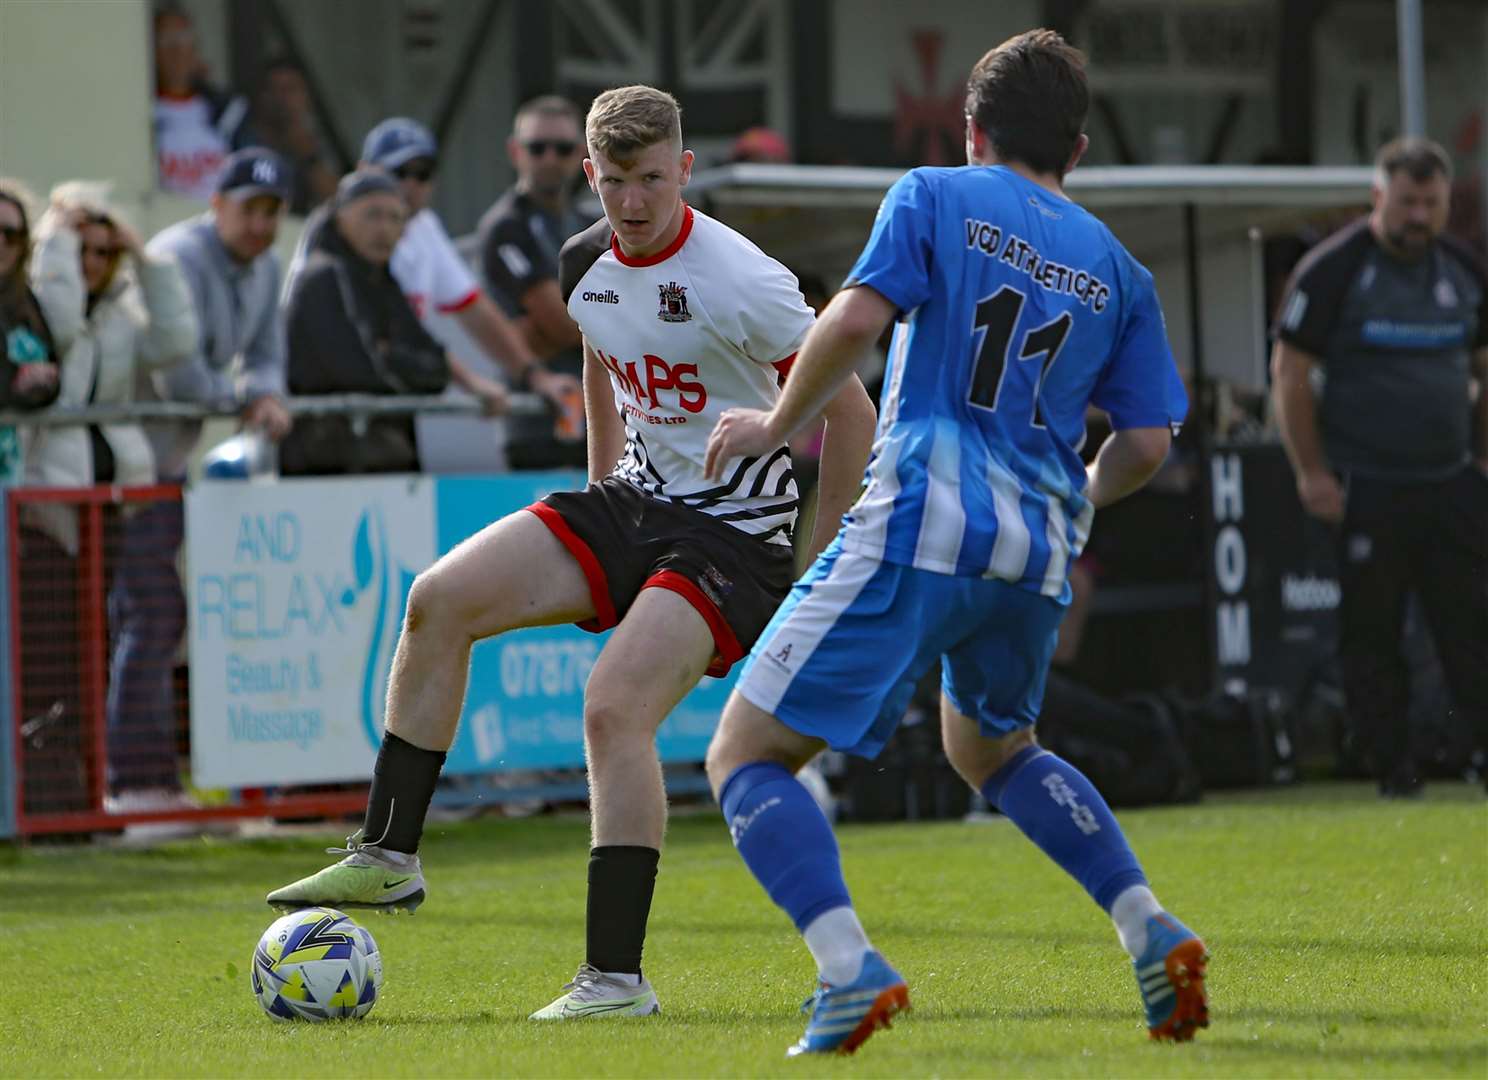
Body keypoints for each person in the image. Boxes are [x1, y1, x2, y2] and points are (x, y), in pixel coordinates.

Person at [266, 85, 878, 1023]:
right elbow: (600, 347)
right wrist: (602, 486)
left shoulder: (743, 279)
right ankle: (388, 857)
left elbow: (852, 411)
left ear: (683, 170)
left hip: (736, 535)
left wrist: (818, 559)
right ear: (590, 174)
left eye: (652, 181)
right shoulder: (585, 259)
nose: (633, 204)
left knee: (611, 707)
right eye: (617, 182)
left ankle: (615, 983)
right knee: (437, 599)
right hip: (635, 502)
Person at [701, 29, 1207, 1055]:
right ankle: (1148, 925)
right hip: (1033, 554)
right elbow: (1148, 443)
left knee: (745, 755)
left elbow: (852, 324)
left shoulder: (935, 193)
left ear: (973, 130)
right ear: (1079, 148)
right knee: (992, 746)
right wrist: (1079, 502)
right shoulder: (1120, 270)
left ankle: (849, 969)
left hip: (922, 516)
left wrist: (775, 425)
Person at [1271, 135, 1488, 799]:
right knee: (1372, 633)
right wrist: (1312, 472)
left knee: (1470, 626)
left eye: (1430, 202)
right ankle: (1393, 767)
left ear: (1447, 202)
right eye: (1406, 202)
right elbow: (1291, 372)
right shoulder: (1333, 270)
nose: (1418, 216)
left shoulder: (1462, 269)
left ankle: (1479, 753)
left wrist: (1483, 457)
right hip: (1367, 484)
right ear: (1377, 198)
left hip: (1449, 481)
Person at [116, 148, 292, 806]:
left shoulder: (265, 266)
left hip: (164, 465)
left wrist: (265, 393)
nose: (260, 224)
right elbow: (178, 375)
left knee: (153, 617)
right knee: (147, 617)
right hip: (120, 467)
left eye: (272, 212)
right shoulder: (178, 256)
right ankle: (135, 783)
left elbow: (268, 353)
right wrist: (245, 400)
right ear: (216, 205)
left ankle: (146, 778)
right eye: (249, 208)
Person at [20, 183, 200, 815]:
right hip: (50, 505)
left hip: (112, 503)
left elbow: (176, 342)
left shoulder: (121, 317)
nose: (94, 262)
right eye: (83, 249)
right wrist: (57, 241)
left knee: (104, 641)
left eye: (104, 249)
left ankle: (101, 788)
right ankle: (56, 794)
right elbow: (60, 328)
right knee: (53, 649)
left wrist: (147, 261)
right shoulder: (42, 306)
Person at [288, 118, 578, 427]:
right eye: (398, 172)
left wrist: (531, 375)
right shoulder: (333, 240)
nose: (409, 186)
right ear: (363, 171)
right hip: (325, 412)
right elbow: (361, 344)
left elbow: (473, 313)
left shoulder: (422, 226)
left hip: (384, 410)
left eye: (422, 174)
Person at [280, 170, 506, 475]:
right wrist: (402, 364)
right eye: (372, 215)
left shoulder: (385, 283)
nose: (384, 229)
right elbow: (361, 370)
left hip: (378, 459)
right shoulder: (323, 277)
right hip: (324, 466)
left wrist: (397, 357)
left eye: (395, 218)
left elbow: (430, 360)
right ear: (339, 219)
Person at [477, 95, 590, 468]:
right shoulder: (505, 226)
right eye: (537, 148)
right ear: (515, 152)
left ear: (580, 155)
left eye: (562, 148)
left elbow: (557, 326)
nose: (550, 159)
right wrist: (609, 321)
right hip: (535, 425)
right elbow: (558, 322)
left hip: (599, 419)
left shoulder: (588, 222)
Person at [152, 6, 253, 200]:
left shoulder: (228, 112)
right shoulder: (143, 112)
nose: (177, 50)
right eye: (166, 41)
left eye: (184, 39)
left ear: (195, 48)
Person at [248, 57, 339, 215]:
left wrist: (309, 156)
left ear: (306, 97)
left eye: (290, 90)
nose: (281, 99)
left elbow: (338, 201)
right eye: (273, 89)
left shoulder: (316, 142)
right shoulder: (244, 140)